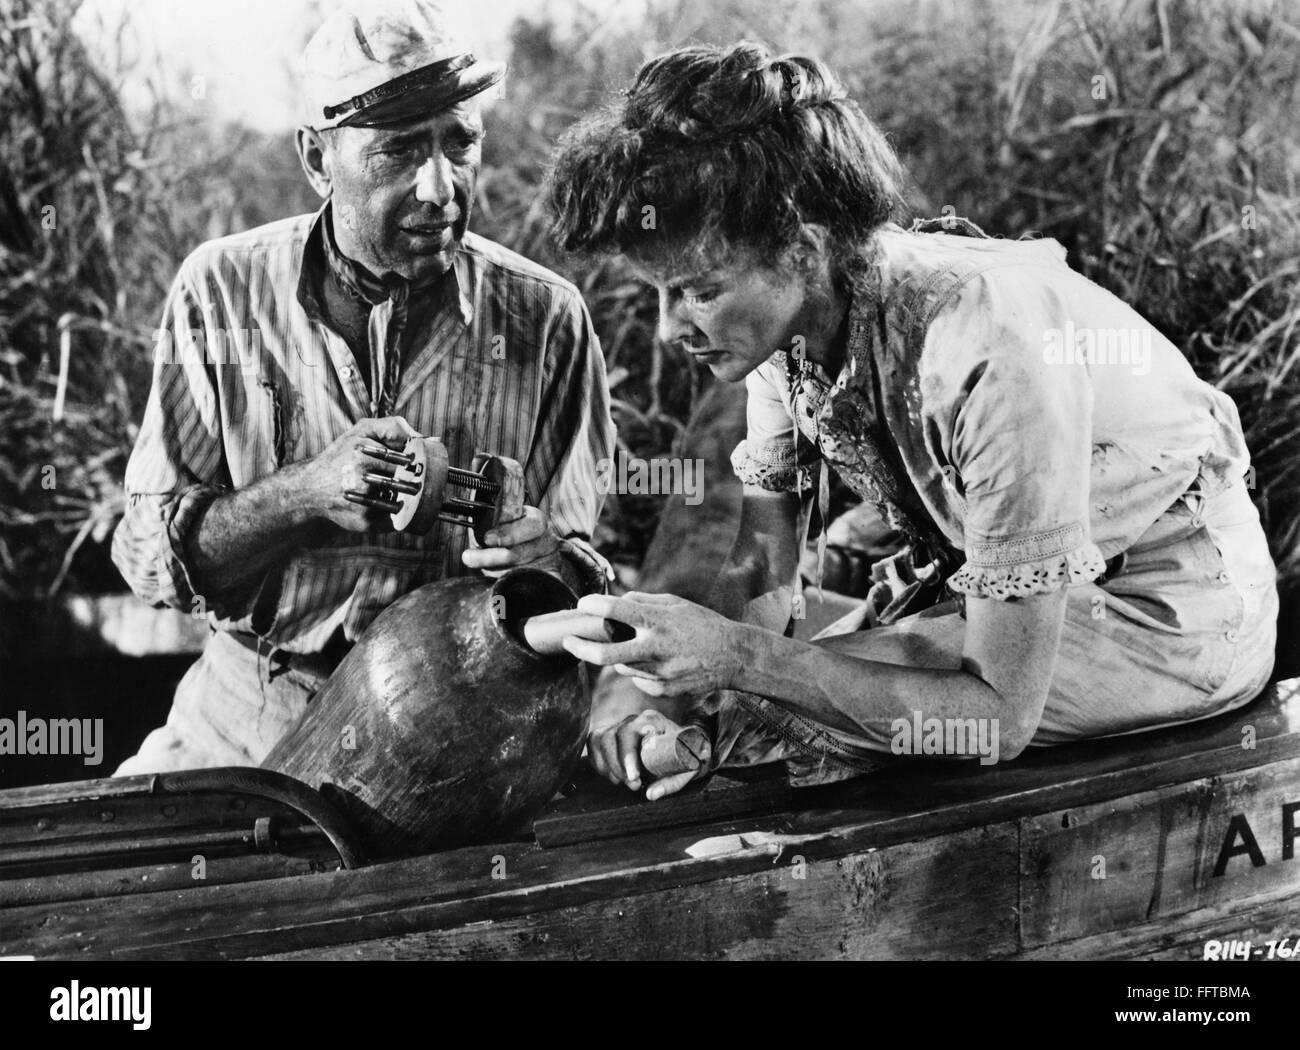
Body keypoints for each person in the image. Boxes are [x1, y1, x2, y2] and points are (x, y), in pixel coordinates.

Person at [545, 41, 1278, 799]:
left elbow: (995, 717)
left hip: (1172, 612)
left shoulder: (987, 352)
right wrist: (650, 684)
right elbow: (764, 570)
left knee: (779, 726)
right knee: (756, 706)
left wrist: (736, 662)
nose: (670, 329)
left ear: (802, 251)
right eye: (661, 294)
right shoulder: (787, 326)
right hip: (992, 604)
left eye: (698, 292)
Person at [111, 0, 614, 774]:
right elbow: (148, 562)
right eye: (400, 152)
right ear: (318, 159)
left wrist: (546, 561)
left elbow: (584, 575)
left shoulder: (546, 318)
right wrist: (304, 493)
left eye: (461, 143)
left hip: (462, 732)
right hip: (249, 719)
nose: (440, 187)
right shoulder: (221, 291)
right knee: (114, 886)